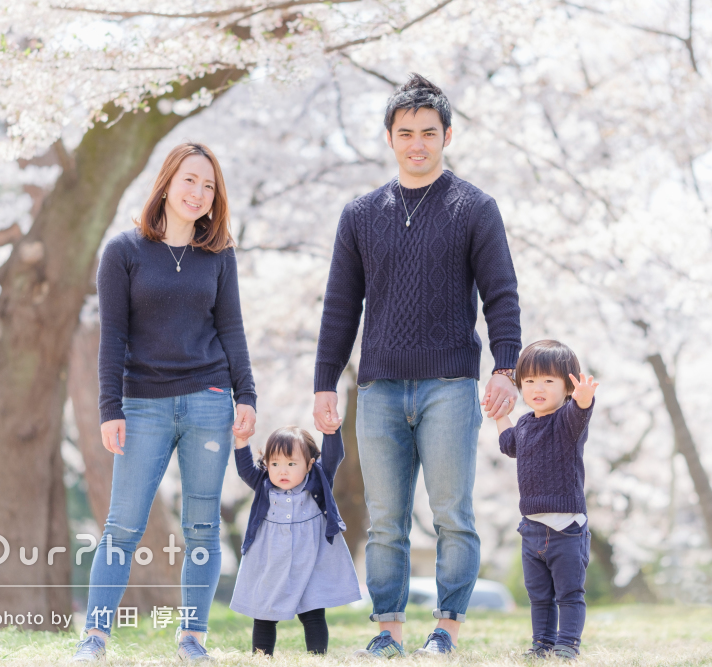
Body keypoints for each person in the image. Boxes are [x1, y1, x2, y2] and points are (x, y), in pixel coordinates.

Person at [313, 73, 522, 657]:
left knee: (452, 514)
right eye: (405, 133)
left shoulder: (475, 208)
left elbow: (500, 295)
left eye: (429, 132)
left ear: (447, 135)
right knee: (385, 521)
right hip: (377, 387)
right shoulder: (359, 214)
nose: (417, 143)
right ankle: (387, 632)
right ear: (389, 137)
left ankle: (447, 629)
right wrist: (323, 383)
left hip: (449, 385)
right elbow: (339, 306)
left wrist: (505, 367)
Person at [73, 143, 257, 663]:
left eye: (209, 186)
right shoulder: (124, 252)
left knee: (203, 525)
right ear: (167, 181)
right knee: (122, 525)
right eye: (190, 181)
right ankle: (95, 637)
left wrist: (247, 394)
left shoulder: (218, 255)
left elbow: (232, 329)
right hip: (144, 405)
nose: (198, 193)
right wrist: (110, 408)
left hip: (209, 399)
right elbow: (112, 337)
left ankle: (193, 639)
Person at [493, 340, 598, 661]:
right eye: (529, 381)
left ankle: (567, 645)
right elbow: (509, 445)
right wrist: (501, 414)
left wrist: (583, 401)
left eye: (549, 381)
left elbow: (579, 414)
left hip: (567, 528)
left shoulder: (566, 421)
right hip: (532, 529)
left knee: (568, 594)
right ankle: (542, 645)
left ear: (567, 386)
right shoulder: (525, 424)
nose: (538, 388)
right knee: (538, 596)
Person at [229, 424, 361, 656]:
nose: (283, 471)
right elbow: (245, 470)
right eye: (275, 464)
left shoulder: (317, 481)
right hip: (272, 558)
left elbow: (333, 456)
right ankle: (261, 658)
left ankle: (317, 657)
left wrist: (331, 430)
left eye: (292, 464)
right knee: (264, 612)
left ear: (309, 464)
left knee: (312, 612)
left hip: (310, 558)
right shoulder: (264, 485)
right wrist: (241, 440)